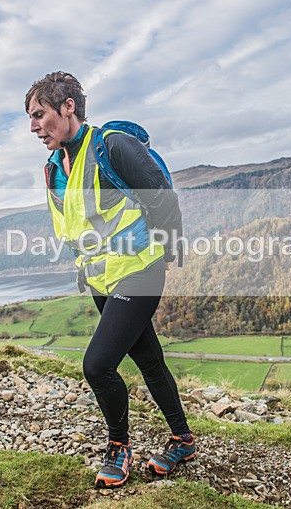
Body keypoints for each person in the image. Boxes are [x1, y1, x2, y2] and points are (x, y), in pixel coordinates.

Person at [25, 71, 195, 488]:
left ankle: (119, 446)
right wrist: (85, 267)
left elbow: (161, 195)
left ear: (68, 107)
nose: (33, 127)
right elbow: (80, 225)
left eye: (39, 114)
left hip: (139, 272)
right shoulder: (54, 167)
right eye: (30, 118)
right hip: (102, 279)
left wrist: (166, 250)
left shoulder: (112, 146)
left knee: (97, 365)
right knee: (149, 359)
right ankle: (183, 439)